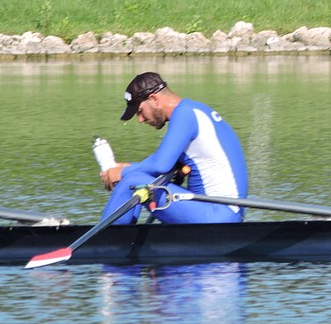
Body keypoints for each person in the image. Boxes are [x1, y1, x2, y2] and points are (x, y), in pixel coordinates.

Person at [100, 72, 248, 225]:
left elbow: (160, 164)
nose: (140, 119)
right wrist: (129, 167)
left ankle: (104, 244)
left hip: (218, 214)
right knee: (135, 178)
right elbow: (163, 162)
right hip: (220, 212)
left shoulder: (184, 114)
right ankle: (123, 238)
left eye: (140, 111)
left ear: (153, 99)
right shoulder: (195, 109)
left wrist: (122, 173)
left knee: (131, 182)